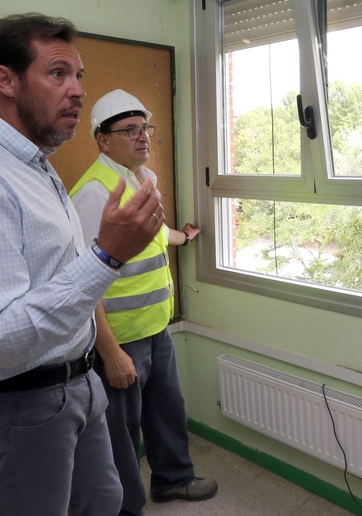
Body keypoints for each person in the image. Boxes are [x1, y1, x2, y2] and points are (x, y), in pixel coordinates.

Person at [0, 14, 167, 516]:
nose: (77, 91)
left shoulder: (34, 165)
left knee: (105, 502)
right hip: (16, 405)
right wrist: (108, 254)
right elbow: (2, 338)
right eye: (57, 74)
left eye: (79, 76)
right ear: (5, 80)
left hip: (77, 384)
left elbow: (59, 278)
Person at [69, 89, 216, 516]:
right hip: (120, 338)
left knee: (168, 410)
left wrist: (184, 238)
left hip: (157, 327)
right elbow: (83, 282)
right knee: (120, 434)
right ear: (102, 139)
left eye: (144, 128)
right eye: (128, 130)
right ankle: (125, 507)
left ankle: (173, 480)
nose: (142, 138)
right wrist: (110, 352)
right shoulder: (95, 194)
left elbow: (155, 235)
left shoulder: (143, 180)